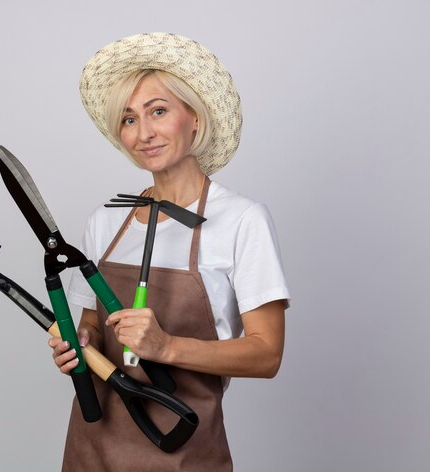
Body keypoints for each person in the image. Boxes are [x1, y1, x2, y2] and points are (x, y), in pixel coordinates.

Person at [48, 32, 290, 471]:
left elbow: (267, 353)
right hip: (93, 446)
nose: (144, 133)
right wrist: (76, 345)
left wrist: (167, 347)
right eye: (128, 119)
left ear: (194, 119)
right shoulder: (105, 221)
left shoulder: (240, 219)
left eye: (158, 111)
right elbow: (90, 328)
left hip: (182, 446)